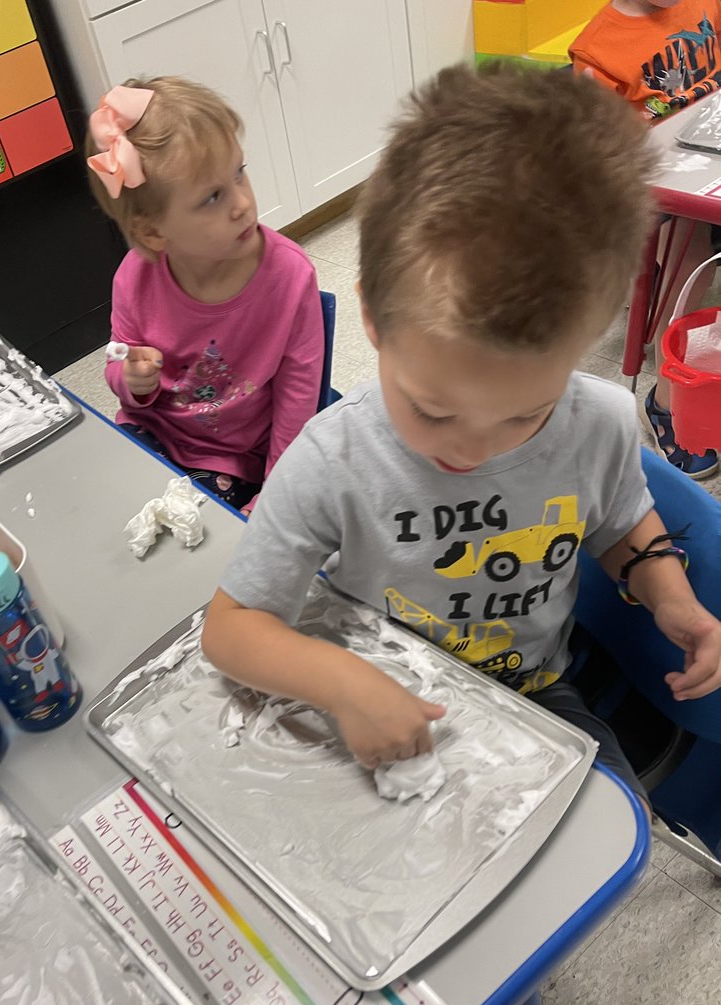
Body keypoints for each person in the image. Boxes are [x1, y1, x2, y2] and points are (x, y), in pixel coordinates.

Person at [201, 63, 721, 805]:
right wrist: (346, 684)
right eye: (434, 410)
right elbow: (231, 631)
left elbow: (618, 522)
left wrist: (666, 592)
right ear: (374, 324)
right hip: (374, 692)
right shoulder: (333, 459)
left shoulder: (597, 423)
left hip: (534, 697)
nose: (472, 451)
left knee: (598, 827)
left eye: (524, 414)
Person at [86, 76, 323, 512]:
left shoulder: (289, 277)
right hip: (151, 432)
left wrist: (276, 493)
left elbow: (298, 399)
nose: (242, 203)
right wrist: (132, 381)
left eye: (239, 173)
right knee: (107, 506)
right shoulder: (134, 278)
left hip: (229, 458)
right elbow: (119, 366)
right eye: (213, 196)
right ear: (153, 231)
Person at [571, 0, 721, 479]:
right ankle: (665, 397)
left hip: (706, 150)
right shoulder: (598, 51)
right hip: (649, 187)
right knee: (686, 251)